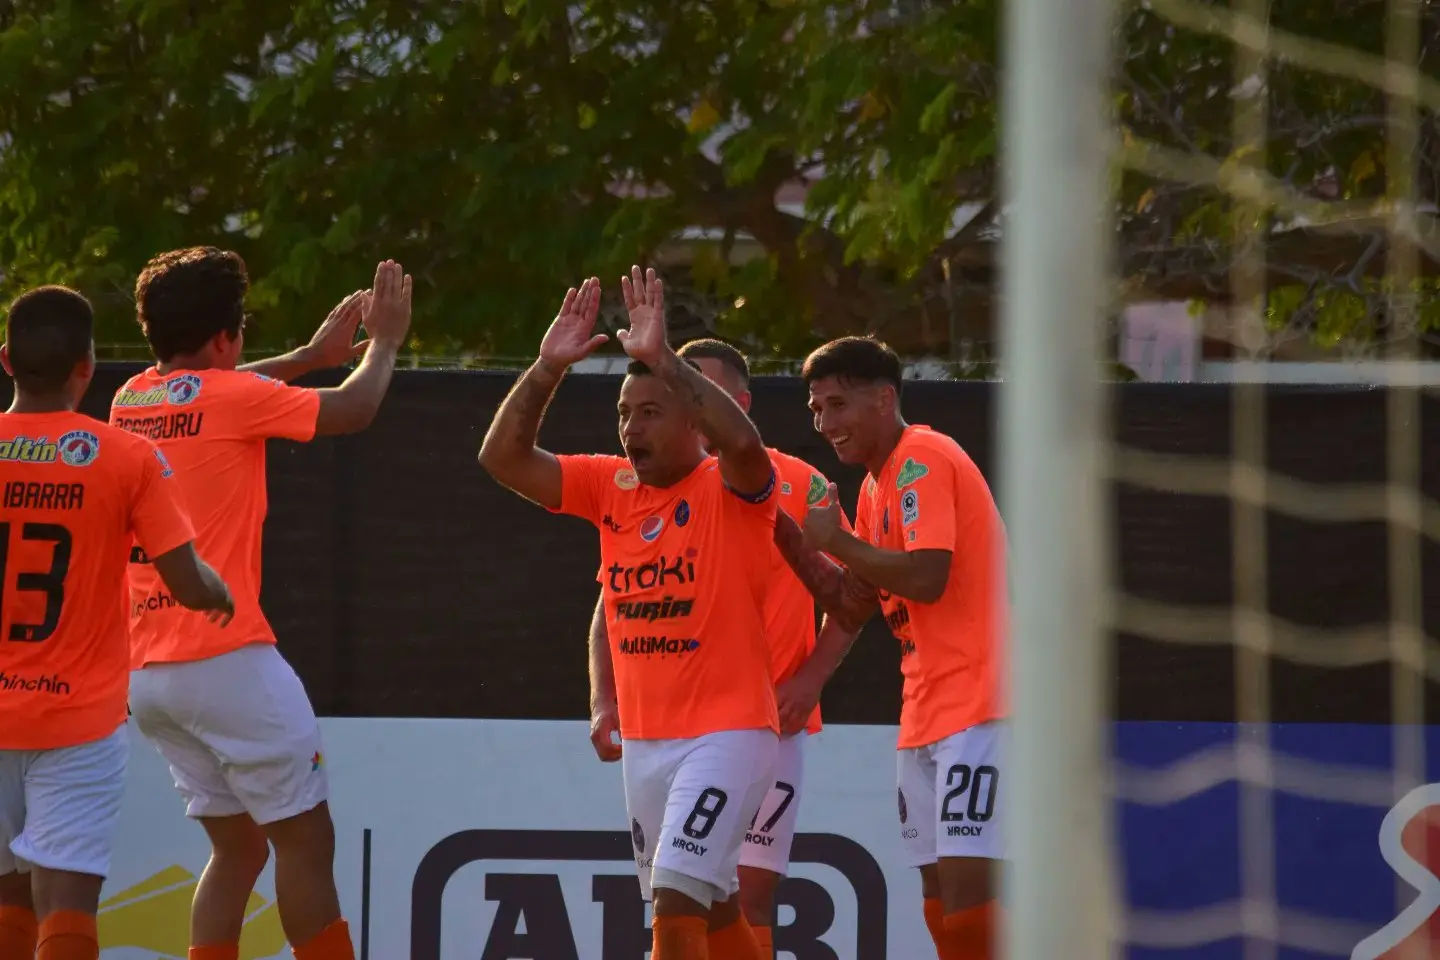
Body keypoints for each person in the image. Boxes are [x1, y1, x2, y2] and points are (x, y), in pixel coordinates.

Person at [108, 249, 413, 960]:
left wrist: (308, 355)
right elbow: (356, 408)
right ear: (224, 337)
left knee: (237, 850)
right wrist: (388, 340)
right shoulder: (233, 397)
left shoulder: (131, 400)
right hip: (228, 661)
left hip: (147, 675)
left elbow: (216, 392)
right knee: (305, 841)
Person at [480, 269, 779, 960]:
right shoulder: (611, 486)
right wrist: (547, 369)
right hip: (648, 741)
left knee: (675, 911)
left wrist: (667, 357)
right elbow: (501, 457)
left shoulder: (727, 486)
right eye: (623, 412)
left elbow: (743, 447)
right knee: (717, 909)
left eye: (649, 412)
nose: (629, 427)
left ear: (689, 420)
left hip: (728, 734)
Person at [586, 337, 852, 958]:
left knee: (737, 897)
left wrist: (810, 680)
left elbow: (856, 596)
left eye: (697, 388)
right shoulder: (648, 490)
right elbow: (611, 605)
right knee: (708, 901)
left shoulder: (794, 481)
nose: (688, 401)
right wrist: (605, 697)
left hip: (766, 727)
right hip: (677, 727)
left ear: (738, 402)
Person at [0, 286, 233, 960]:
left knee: (8, 898)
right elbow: (188, 581)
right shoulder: (125, 455)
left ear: (7, 360)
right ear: (88, 365)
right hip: (77, 719)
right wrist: (219, 593)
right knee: (66, 903)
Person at [775, 335, 1007, 960]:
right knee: (940, 908)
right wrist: (793, 542)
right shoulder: (876, 489)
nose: (826, 423)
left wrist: (839, 543)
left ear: (884, 399)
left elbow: (927, 577)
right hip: (926, 710)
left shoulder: (921, 458)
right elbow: (857, 602)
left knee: (972, 907)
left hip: (983, 704)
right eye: (816, 408)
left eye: (838, 404)